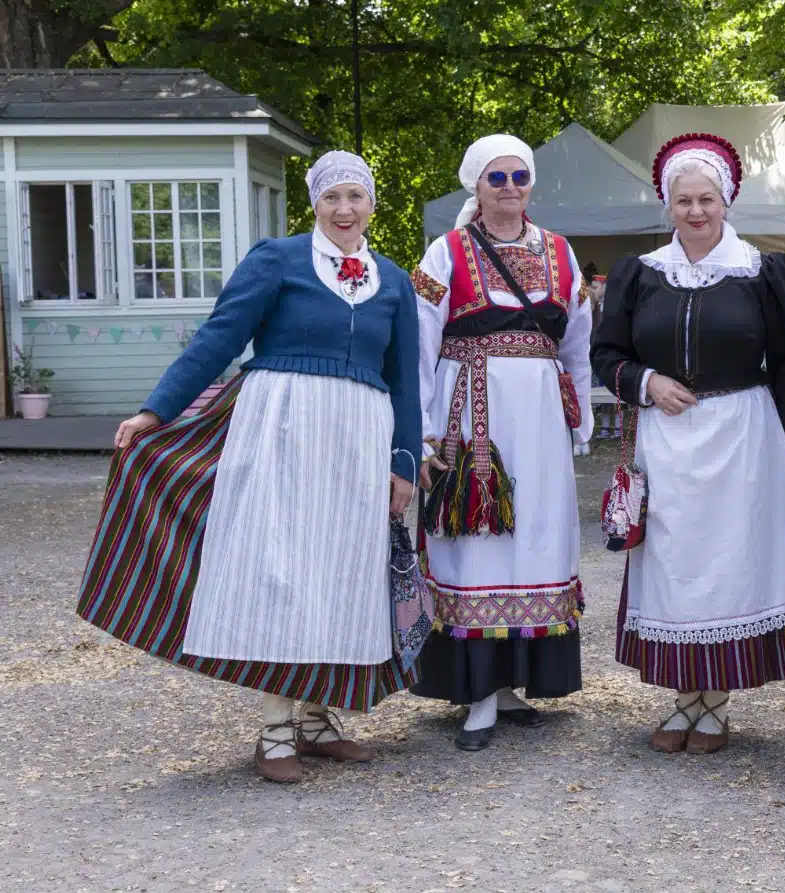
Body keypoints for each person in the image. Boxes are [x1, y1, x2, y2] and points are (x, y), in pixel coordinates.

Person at [76, 150, 421, 784]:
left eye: (356, 197)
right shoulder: (278, 259)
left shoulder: (394, 280)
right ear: (315, 204)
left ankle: (317, 718)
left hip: (357, 439)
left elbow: (404, 381)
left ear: (372, 205)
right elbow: (220, 336)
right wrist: (158, 410)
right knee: (281, 570)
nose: (345, 210)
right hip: (281, 427)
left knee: (337, 570)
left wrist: (403, 463)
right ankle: (274, 731)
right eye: (332, 198)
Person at [590, 132, 785, 755]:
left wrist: (783, 449)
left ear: (727, 200)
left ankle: (713, 702)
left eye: (706, 199)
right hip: (666, 437)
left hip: (743, 434)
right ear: (668, 205)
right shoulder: (642, 274)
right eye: (683, 200)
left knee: (730, 565)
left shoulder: (764, 271)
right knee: (674, 564)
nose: (695, 211)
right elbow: (605, 355)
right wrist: (646, 381)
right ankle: (683, 697)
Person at [410, 134, 594, 751]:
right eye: (497, 179)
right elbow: (418, 340)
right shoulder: (443, 254)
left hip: (540, 420)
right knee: (479, 544)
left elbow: (577, 343)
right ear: (475, 186)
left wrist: (580, 414)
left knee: (536, 537)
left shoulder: (562, 253)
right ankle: (480, 695)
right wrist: (424, 426)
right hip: (472, 417)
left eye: (519, 177)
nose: (510, 188)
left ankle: (516, 682)